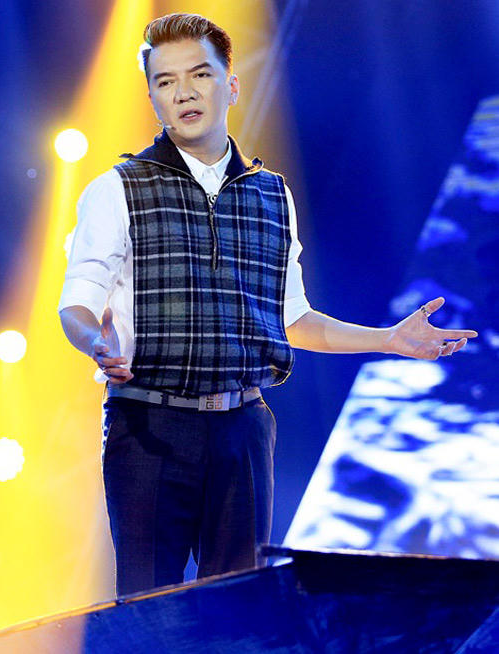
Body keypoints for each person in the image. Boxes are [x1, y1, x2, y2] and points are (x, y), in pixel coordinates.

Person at [58, 13, 477, 597]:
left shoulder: (272, 193)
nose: (183, 92)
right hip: (149, 425)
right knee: (150, 608)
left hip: (244, 426)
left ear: (231, 85)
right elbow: (77, 304)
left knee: (239, 607)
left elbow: (294, 319)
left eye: (199, 74)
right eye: (165, 81)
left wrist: (387, 339)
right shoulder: (116, 189)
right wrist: (95, 341)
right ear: (152, 96)